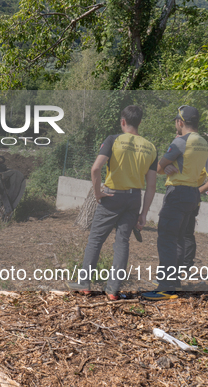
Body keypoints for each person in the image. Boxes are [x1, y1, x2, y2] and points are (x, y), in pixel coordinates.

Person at [67, 105, 158, 300]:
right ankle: (113, 290)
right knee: (122, 242)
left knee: (96, 239)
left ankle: (84, 284)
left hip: (112, 196)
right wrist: (143, 213)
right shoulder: (150, 147)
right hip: (134, 199)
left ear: (123, 122)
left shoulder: (113, 140)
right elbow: (151, 186)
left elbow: (95, 169)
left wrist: (98, 193)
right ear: (140, 122)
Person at [142, 105, 208, 301]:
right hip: (193, 194)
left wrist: (167, 167)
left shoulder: (180, 141)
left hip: (177, 193)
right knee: (180, 238)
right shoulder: (203, 143)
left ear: (180, 122)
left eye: (176, 122)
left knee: (166, 238)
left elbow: (158, 167)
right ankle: (174, 283)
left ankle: (165, 287)